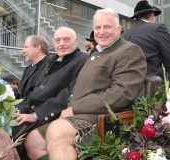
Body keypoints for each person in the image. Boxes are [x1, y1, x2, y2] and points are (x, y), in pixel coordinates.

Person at [24, 8, 147, 160]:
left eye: (107, 27)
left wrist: (75, 108)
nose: (101, 32)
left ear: (119, 29)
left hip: (105, 118)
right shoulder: (96, 54)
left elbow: (121, 94)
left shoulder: (129, 50)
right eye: (97, 27)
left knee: (57, 132)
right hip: (79, 115)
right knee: (33, 141)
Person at [13, 26, 89, 159]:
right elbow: (35, 93)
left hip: (56, 115)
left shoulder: (83, 60)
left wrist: (37, 115)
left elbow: (68, 94)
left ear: (76, 42)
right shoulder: (51, 61)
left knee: (26, 141)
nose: (61, 44)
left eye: (66, 40)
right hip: (36, 112)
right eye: (58, 40)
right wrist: (16, 109)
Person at [122, 0, 170, 81]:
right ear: (152, 15)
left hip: (130, 86)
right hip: (154, 86)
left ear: (136, 18)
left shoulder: (124, 35)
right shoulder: (158, 28)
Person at [15, 35, 50, 100]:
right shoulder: (28, 69)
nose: (23, 51)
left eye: (26, 47)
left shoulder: (50, 67)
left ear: (37, 48)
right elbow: (20, 93)